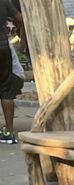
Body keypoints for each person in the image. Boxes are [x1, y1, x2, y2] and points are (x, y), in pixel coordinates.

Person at [0, 0, 23, 143]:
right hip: (2, 48)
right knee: (5, 89)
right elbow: (20, 19)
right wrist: (16, 34)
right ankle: (9, 131)